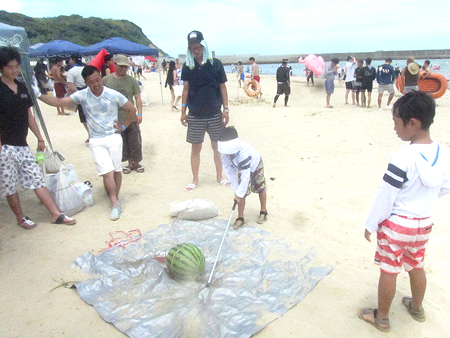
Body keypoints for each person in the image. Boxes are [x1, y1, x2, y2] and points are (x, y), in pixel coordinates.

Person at [359, 91, 450, 332]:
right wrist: (424, 199)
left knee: (389, 270)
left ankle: (382, 317)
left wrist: (371, 224)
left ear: (413, 123)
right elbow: (445, 187)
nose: (394, 128)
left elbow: (386, 197)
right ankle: (417, 308)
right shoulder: (442, 154)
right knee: (416, 265)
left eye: (396, 122)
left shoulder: (402, 157)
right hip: (423, 224)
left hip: (397, 225)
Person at [35, 65, 137, 221]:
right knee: (107, 172)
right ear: (85, 82)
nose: (96, 84)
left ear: (101, 77)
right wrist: (37, 94)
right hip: (96, 140)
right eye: (91, 82)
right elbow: (59, 102)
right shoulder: (82, 95)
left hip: (113, 137)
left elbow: (131, 109)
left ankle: (114, 195)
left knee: (116, 170)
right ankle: (114, 203)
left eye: (98, 80)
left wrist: (123, 126)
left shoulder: (112, 94)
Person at [0, 47, 76, 229]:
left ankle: (55, 214)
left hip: (22, 144)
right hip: (5, 146)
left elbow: (28, 115)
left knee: (36, 178)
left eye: (17, 66)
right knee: (9, 186)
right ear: (2, 68)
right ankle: (21, 218)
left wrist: (40, 138)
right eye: (10, 67)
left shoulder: (22, 87)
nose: (15, 70)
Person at [180, 30, 230, 192]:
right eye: (192, 47)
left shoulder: (215, 64)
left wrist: (226, 109)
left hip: (215, 113)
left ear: (203, 45)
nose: (196, 50)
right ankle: (195, 179)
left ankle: (219, 176)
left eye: (198, 46)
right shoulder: (188, 66)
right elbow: (185, 89)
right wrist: (183, 111)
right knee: (196, 148)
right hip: (195, 114)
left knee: (217, 147)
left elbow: (223, 87)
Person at [218, 126, 268, 229]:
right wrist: (237, 192)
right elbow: (230, 172)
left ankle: (263, 211)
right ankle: (240, 218)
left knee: (260, 186)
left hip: (255, 164)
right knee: (240, 193)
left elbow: (246, 176)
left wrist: (239, 194)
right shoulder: (224, 154)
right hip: (240, 168)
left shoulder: (243, 153)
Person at [103, 54, 144, 175]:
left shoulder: (131, 81)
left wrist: (140, 113)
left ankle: (136, 162)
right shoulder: (106, 80)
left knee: (135, 140)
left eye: (125, 67)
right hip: (115, 118)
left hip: (130, 117)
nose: (123, 69)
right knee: (122, 142)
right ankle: (129, 163)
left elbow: (138, 98)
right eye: (120, 66)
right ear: (114, 65)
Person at [66, 54, 89, 144]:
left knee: (83, 117)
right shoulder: (87, 68)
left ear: (72, 60)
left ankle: (90, 134)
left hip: (80, 92)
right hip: (90, 91)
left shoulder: (71, 71)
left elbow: (71, 87)